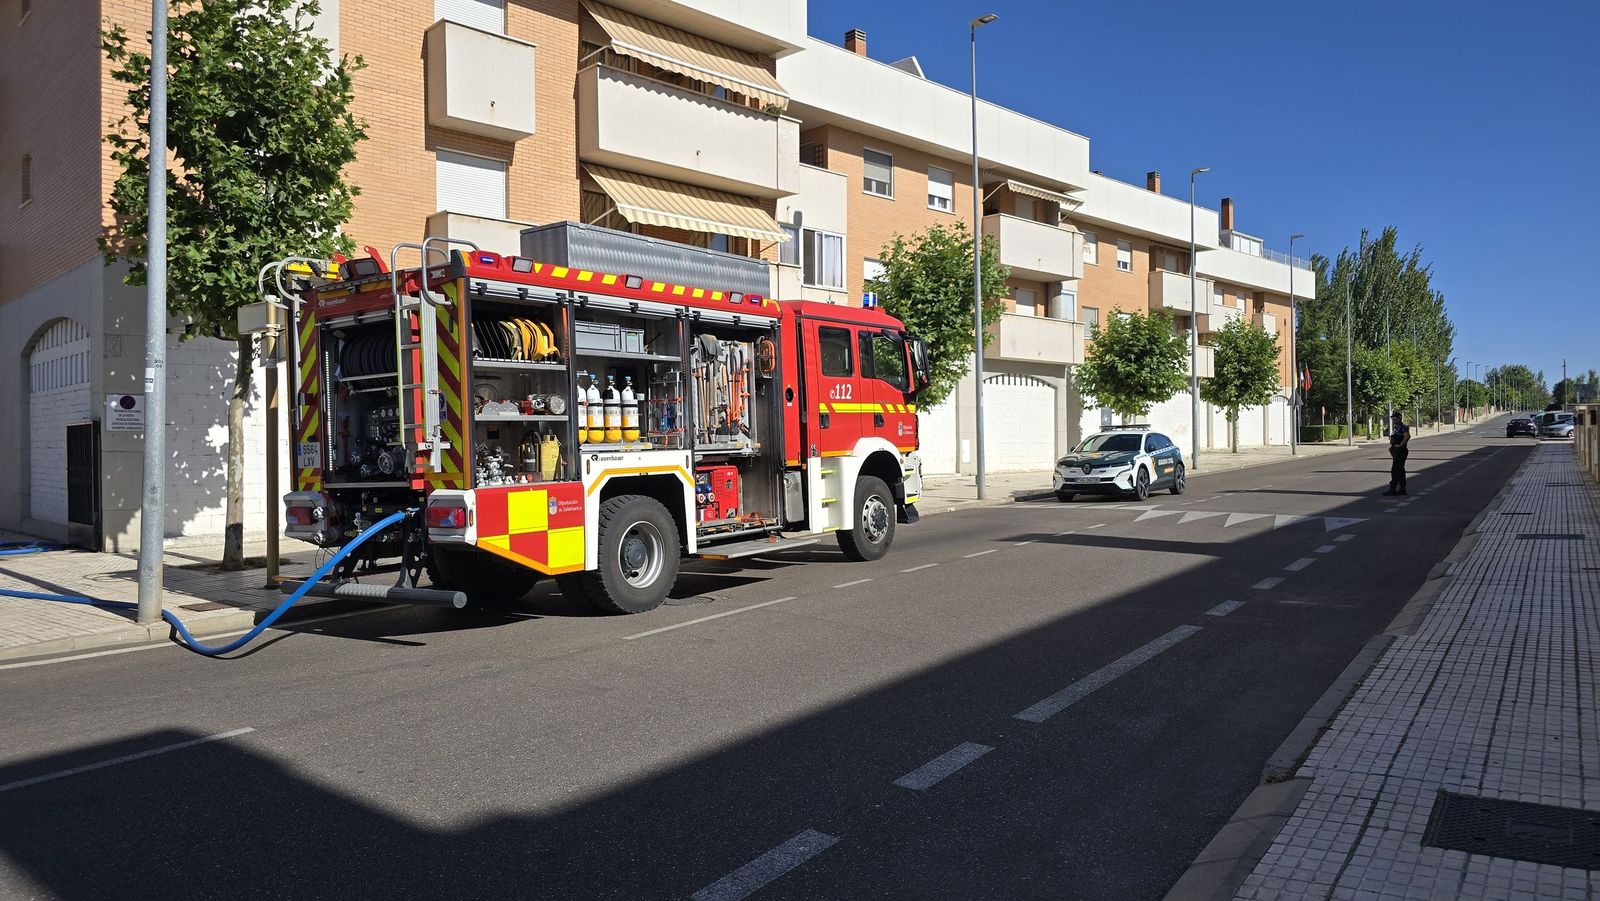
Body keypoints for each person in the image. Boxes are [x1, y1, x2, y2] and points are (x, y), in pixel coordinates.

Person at [1383, 410, 1410, 496]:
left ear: (1399, 418)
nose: (1393, 420)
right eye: (1393, 418)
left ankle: (1393, 489)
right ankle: (1402, 489)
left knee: (1395, 470)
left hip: (1401, 451)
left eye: (1395, 418)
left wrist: (1400, 445)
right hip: (1397, 451)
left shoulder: (1403, 427)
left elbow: (1407, 436)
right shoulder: (1396, 428)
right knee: (1401, 470)